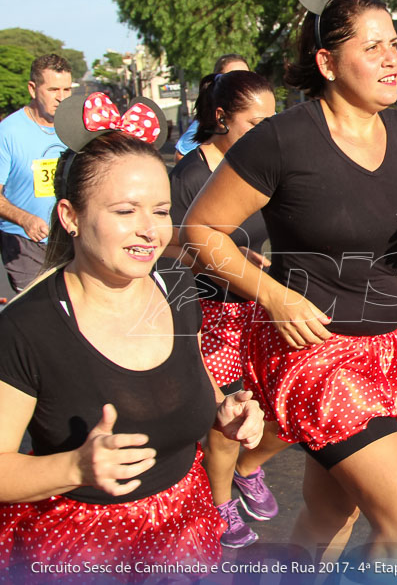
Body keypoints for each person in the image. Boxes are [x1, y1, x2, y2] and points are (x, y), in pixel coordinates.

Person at [182, 0, 397, 566]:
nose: (391, 60)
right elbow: (201, 230)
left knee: (330, 512)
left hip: (384, 351)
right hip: (315, 356)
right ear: (328, 62)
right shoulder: (283, 141)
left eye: (394, 44)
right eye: (372, 47)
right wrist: (273, 296)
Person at [0, 92, 264, 579]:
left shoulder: (179, 288)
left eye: (161, 211)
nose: (150, 231)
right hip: (80, 550)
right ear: (70, 216)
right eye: (125, 211)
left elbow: (198, 383)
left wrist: (226, 413)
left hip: (187, 532)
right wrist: (72, 470)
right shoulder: (26, 327)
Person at [169, 70, 285, 549]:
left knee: (286, 404)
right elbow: (167, 246)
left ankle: (247, 468)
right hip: (209, 314)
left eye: (271, 120)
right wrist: (228, 265)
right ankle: (219, 503)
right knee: (228, 417)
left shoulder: (262, 164)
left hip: (259, 305)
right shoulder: (190, 175)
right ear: (221, 119)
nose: (268, 131)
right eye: (255, 122)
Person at [0, 54, 73, 292]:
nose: (61, 97)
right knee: (39, 313)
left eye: (67, 89)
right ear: (33, 89)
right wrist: (25, 219)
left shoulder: (76, 129)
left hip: (70, 238)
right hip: (26, 242)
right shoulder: (8, 132)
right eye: (53, 89)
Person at [174, 54, 249, 162]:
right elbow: (181, 156)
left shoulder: (266, 111)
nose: (240, 83)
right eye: (232, 78)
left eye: (246, 76)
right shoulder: (209, 120)